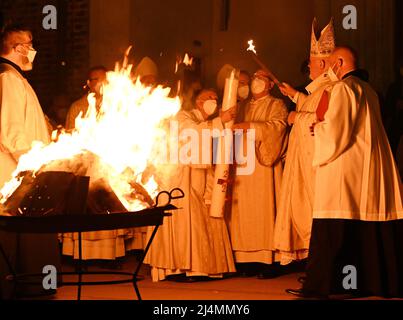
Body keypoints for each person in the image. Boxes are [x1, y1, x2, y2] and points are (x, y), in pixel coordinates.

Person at [289, 46, 403, 299]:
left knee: (334, 225)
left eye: (329, 63)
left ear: (339, 62)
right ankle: (368, 283)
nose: (327, 69)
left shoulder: (342, 89)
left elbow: (335, 133)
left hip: (343, 168)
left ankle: (323, 285)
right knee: (361, 229)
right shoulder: (368, 90)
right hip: (366, 166)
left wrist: (317, 128)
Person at [144, 89, 237, 282]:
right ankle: (177, 267)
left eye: (216, 98)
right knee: (183, 217)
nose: (213, 100)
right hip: (178, 176)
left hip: (201, 174)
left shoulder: (212, 124)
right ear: (198, 102)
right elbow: (192, 132)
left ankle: (202, 268)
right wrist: (220, 121)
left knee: (203, 215)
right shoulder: (183, 116)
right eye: (209, 97)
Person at [0, 24, 60, 299]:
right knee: (12, 238)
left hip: (21, 170)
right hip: (14, 173)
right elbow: (12, 133)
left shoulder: (15, 79)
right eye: (30, 44)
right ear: (19, 48)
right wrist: (33, 167)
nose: (33, 51)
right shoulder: (9, 79)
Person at [274, 18, 337, 266]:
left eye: (311, 62)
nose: (308, 67)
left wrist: (294, 117)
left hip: (315, 166)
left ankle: (320, 269)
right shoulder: (316, 89)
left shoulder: (332, 88)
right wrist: (296, 96)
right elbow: (312, 107)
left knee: (313, 210)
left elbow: (323, 119)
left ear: (322, 63)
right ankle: (314, 268)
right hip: (303, 163)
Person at [230, 69, 288, 279]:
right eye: (254, 79)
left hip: (264, 168)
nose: (256, 82)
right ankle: (246, 260)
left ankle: (268, 260)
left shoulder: (277, 104)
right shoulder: (243, 106)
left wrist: (250, 126)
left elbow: (278, 127)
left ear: (270, 84)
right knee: (242, 212)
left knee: (265, 210)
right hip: (243, 166)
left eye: (261, 79)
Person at [65, 66, 107, 130]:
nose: (101, 83)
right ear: (89, 83)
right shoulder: (77, 107)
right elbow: (70, 133)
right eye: (97, 79)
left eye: (104, 79)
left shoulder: (115, 105)